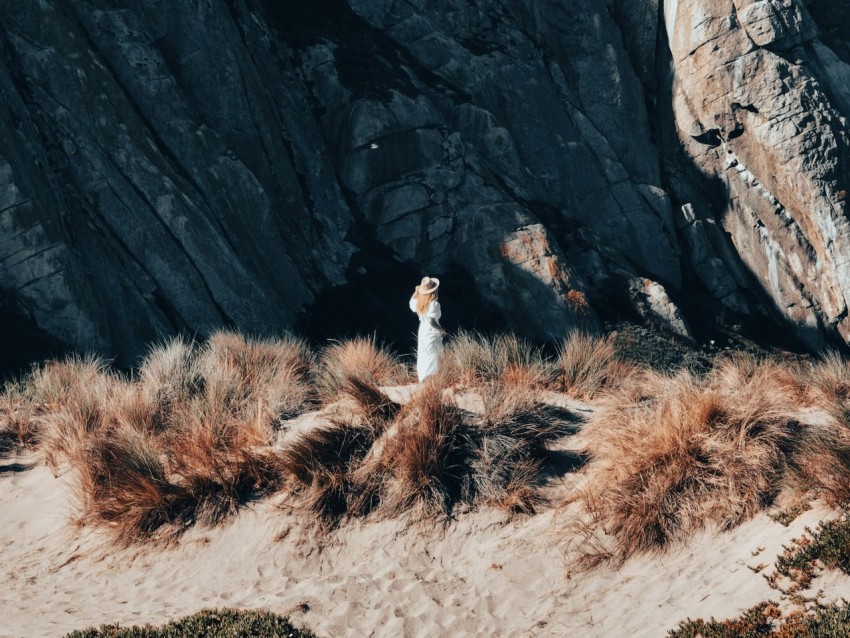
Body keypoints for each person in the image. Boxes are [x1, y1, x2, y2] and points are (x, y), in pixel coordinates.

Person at [409, 276, 446, 382]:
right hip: (432, 331)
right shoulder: (434, 304)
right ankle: (432, 379)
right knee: (434, 355)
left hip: (423, 330)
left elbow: (411, 301)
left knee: (424, 354)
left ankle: (424, 378)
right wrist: (441, 329)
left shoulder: (419, 302)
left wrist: (416, 291)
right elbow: (432, 322)